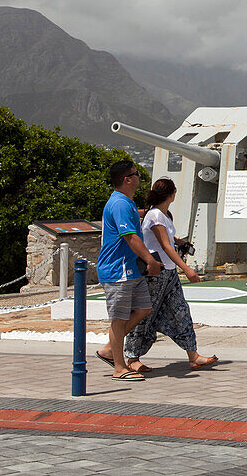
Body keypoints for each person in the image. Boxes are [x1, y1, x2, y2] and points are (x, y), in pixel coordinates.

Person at [124, 178, 217, 372]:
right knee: (145, 315)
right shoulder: (156, 215)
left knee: (181, 311)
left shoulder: (164, 215)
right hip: (156, 273)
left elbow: (168, 240)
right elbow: (165, 246)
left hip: (168, 274)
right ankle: (132, 358)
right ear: (172, 194)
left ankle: (193, 355)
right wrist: (187, 268)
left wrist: (179, 242)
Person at [95, 159, 162, 381]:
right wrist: (150, 261)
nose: (139, 177)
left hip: (131, 270)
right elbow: (130, 237)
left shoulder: (127, 202)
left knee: (144, 308)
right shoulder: (120, 204)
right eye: (136, 174)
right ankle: (119, 367)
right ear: (127, 179)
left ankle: (108, 349)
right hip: (117, 271)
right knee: (118, 319)